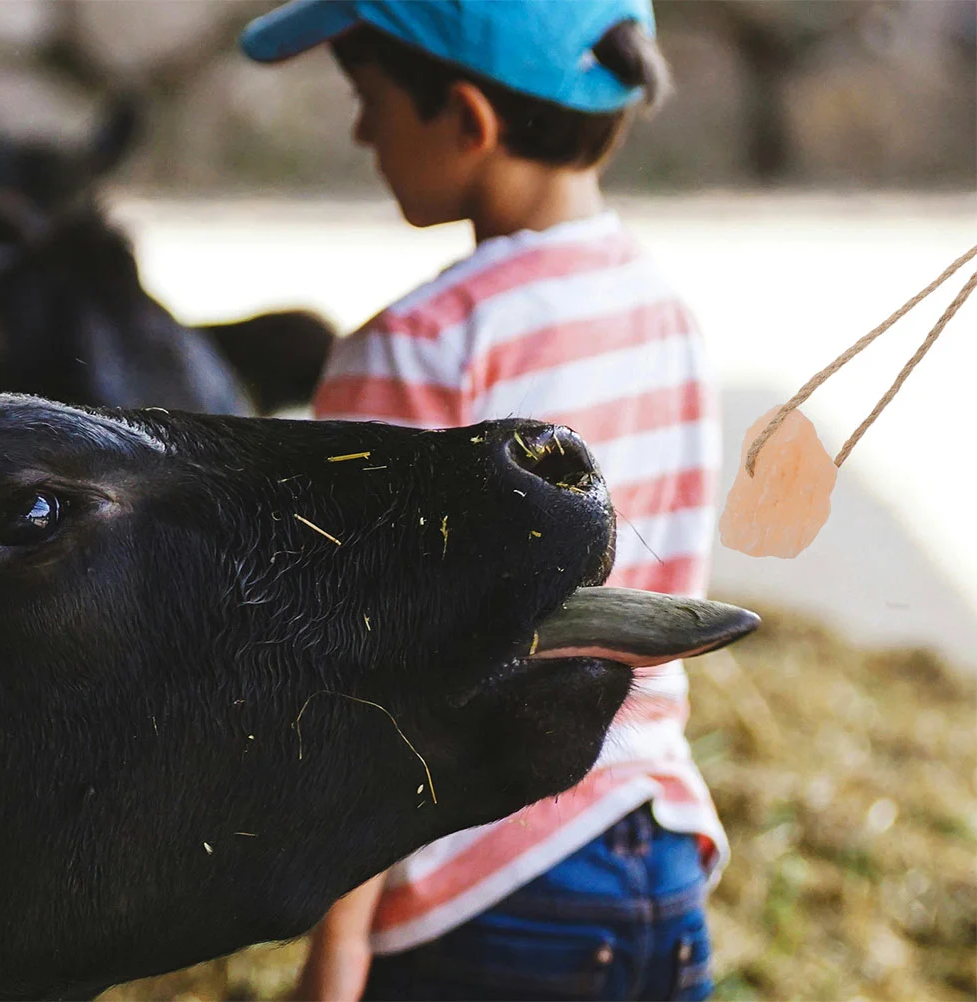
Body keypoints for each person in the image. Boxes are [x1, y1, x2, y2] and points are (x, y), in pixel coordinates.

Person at [241, 3, 726, 999]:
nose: (361, 133)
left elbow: (368, 669)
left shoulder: (419, 345)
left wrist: (338, 951)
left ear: (466, 117)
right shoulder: (665, 311)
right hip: (663, 862)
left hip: (482, 894)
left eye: (368, 100)